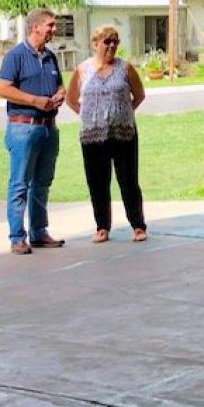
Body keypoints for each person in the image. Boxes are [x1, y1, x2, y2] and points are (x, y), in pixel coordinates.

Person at [65, 25, 147, 243]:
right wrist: (90, 116)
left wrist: (122, 112)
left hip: (123, 134)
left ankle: (138, 225)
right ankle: (102, 226)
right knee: (97, 182)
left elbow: (139, 95)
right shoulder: (82, 70)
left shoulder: (126, 68)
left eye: (115, 42)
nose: (111, 46)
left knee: (128, 181)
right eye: (107, 42)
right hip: (92, 136)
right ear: (95, 44)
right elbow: (71, 99)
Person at [0, 8, 66, 254]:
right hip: (23, 128)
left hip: (48, 130)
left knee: (42, 183)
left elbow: (59, 84)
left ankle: (39, 232)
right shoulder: (15, 56)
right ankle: (17, 237)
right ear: (35, 27)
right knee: (20, 184)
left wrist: (59, 94)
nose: (54, 30)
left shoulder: (50, 57)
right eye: (50, 25)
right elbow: (2, 88)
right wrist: (35, 101)